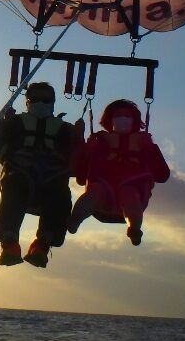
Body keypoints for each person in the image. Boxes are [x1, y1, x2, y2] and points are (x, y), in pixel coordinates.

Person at [0, 81, 83, 268]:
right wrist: (1, 125)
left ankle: (42, 245)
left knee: (59, 194)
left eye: (45, 100)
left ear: (53, 103)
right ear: (27, 102)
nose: (40, 103)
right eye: (35, 99)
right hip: (19, 174)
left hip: (52, 179)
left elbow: (79, 168)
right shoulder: (14, 123)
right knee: (15, 185)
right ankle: (9, 242)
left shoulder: (65, 129)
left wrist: (78, 139)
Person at [68, 98, 170, 245]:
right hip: (103, 187)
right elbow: (81, 178)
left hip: (133, 186)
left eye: (127, 116)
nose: (123, 119)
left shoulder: (143, 141)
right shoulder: (100, 140)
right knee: (96, 192)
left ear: (134, 120)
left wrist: (151, 149)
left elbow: (162, 175)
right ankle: (75, 218)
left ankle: (134, 229)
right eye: (118, 115)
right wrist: (88, 151)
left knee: (129, 194)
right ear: (110, 119)